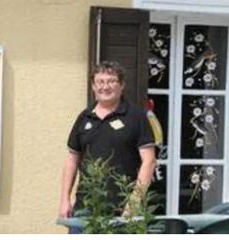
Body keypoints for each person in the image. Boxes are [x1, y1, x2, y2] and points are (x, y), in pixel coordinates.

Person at [58, 61, 156, 233]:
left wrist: (134, 202)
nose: (105, 87)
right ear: (93, 86)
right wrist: (65, 199)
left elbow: (149, 161)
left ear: (122, 85)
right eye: (100, 82)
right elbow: (72, 159)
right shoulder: (84, 117)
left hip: (123, 211)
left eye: (111, 81)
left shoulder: (136, 117)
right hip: (85, 208)